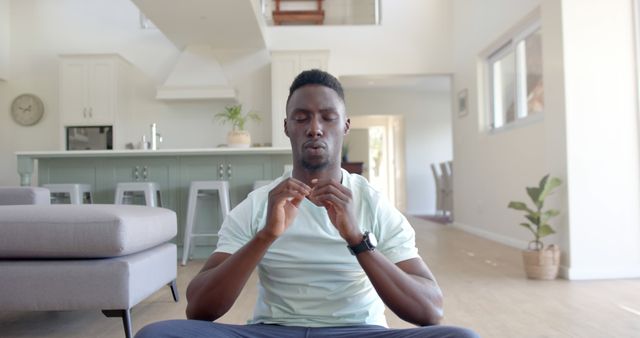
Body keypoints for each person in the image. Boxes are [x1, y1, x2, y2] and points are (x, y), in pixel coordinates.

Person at [135, 70, 478, 338]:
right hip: (273, 332)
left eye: (327, 117)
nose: (315, 128)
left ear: (345, 126)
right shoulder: (259, 205)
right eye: (302, 118)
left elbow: (429, 311)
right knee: (158, 334)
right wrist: (266, 236)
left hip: (358, 333)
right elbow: (199, 309)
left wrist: (358, 240)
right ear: (287, 127)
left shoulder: (374, 204)